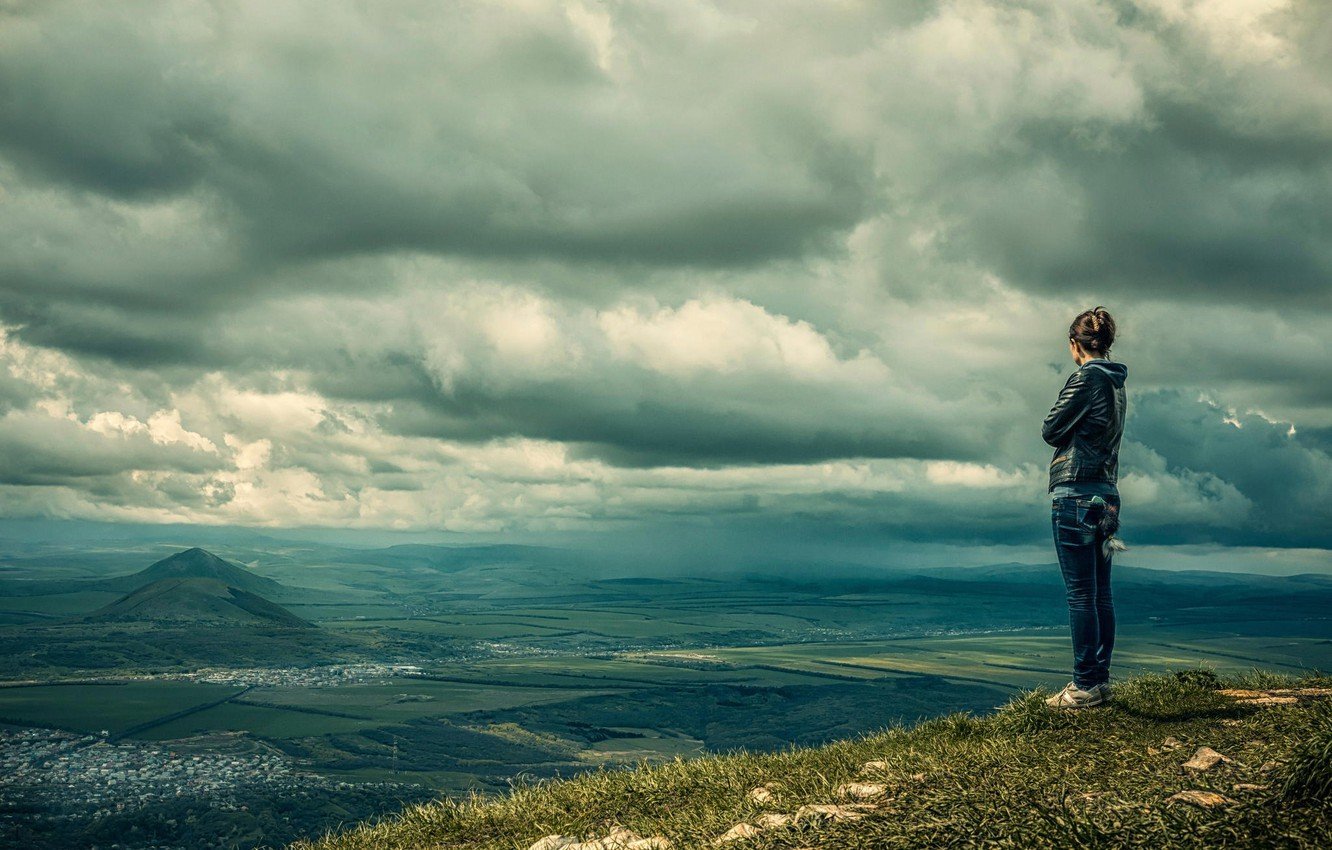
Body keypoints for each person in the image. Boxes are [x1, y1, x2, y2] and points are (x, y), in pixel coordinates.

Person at [1042, 306, 1127, 709]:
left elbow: (1051, 429)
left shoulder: (1085, 378)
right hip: (1106, 492)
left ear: (1075, 345)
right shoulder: (1116, 383)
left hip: (1075, 492)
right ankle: (1100, 679)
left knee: (1080, 595)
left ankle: (1084, 686)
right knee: (1100, 595)